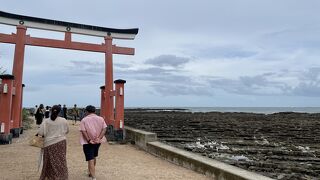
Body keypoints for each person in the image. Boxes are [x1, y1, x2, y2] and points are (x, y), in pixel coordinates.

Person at [38, 105, 69, 180]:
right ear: (59, 111)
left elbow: (41, 133)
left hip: (48, 143)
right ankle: (61, 176)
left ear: (51, 111)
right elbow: (67, 131)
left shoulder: (46, 121)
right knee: (61, 160)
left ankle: (50, 176)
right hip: (61, 142)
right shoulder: (63, 120)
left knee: (49, 161)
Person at [79, 105, 107, 180]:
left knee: (90, 158)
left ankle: (93, 177)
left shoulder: (84, 120)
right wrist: (99, 138)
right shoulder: (101, 119)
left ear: (87, 111)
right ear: (94, 111)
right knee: (94, 156)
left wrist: (88, 140)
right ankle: (90, 172)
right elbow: (104, 129)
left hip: (88, 142)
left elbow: (83, 131)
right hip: (98, 142)